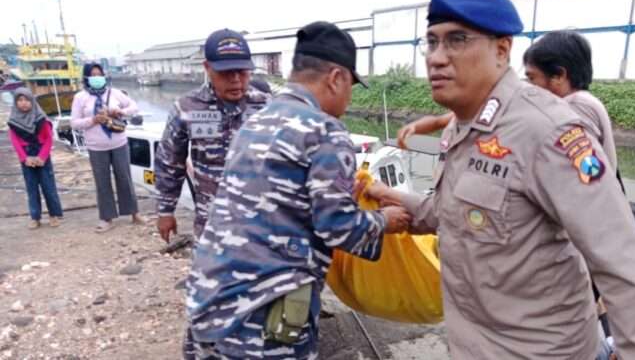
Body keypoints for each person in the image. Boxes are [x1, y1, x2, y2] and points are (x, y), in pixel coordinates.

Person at [366, 0, 635, 359]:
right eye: (432, 41)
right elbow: (457, 212)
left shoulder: (549, 130)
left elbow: (624, 263)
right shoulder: (463, 127)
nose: (437, 57)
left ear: (501, 49)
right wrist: (398, 202)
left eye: (457, 39)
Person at [185, 21, 410, 359]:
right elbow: (336, 226)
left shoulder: (255, 122)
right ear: (335, 78)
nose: (349, 97)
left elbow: (280, 204)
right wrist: (385, 220)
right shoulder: (325, 131)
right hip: (261, 318)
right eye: (351, 84)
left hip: (208, 302)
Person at [154, 29, 270, 244]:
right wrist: (165, 210)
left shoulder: (267, 107)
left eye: (242, 71)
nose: (236, 80)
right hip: (211, 223)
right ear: (207, 68)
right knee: (207, 275)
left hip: (259, 224)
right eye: (226, 72)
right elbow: (170, 161)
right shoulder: (186, 108)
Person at [523, 30, 617, 170]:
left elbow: (584, 173)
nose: (530, 86)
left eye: (532, 78)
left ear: (559, 76)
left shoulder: (575, 106)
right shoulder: (582, 101)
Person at [70, 63, 144, 232]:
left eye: (99, 74)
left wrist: (119, 111)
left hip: (119, 143)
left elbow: (134, 108)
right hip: (96, 147)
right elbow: (74, 123)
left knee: (125, 178)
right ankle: (107, 218)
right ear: (86, 78)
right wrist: (93, 120)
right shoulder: (80, 98)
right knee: (102, 182)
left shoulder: (115, 93)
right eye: (93, 75)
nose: (97, 78)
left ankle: (134, 213)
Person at [8, 87, 63, 229]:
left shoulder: (40, 118)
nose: (24, 103)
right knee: (31, 188)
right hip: (26, 156)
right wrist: (24, 158)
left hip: (41, 152)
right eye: (20, 100)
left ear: (32, 101)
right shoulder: (13, 121)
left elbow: (49, 139)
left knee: (48, 186)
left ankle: (53, 215)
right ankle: (35, 217)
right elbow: (14, 142)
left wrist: (42, 157)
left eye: (27, 100)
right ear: (16, 103)